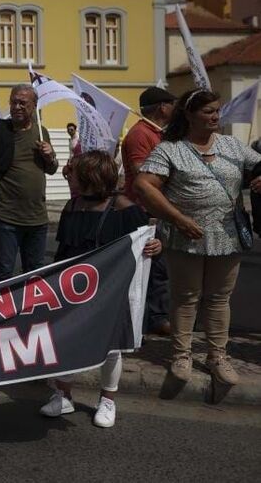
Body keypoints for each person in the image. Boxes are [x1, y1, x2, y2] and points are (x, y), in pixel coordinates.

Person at [135, 89, 261, 387]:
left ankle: (217, 355)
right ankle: (181, 354)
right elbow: (144, 185)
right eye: (208, 111)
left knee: (219, 298)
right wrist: (177, 218)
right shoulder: (170, 149)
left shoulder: (232, 146)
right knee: (186, 297)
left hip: (228, 237)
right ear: (189, 115)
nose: (215, 116)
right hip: (185, 236)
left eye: (217, 110)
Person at [39, 151, 162, 428]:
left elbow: (146, 243)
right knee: (67, 340)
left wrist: (157, 246)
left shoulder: (124, 208)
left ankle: (107, 400)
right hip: (74, 291)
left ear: (90, 177)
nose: (69, 176)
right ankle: (63, 395)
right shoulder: (72, 206)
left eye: (75, 173)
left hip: (110, 293)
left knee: (111, 347)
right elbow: (65, 249)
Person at [0, 85, 59, 282]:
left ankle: (28, 303)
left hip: (37, 219)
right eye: (13, 102)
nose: (17, 107)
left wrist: (50, 156)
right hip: (7, 218)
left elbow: (51, 169)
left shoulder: (41, 132)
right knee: (3, 272)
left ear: (34, 105)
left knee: (35, 275)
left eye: (22, 103)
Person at [122, 85, 176, 336]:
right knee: (150, 266)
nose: (175, 109)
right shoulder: (140, 134)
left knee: (159, 266)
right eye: (172, 104)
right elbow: (140, 171)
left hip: (159, 208)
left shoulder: (161, 133)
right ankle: (152, 318)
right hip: (144, 210)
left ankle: (157, 315)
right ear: (162, 107)